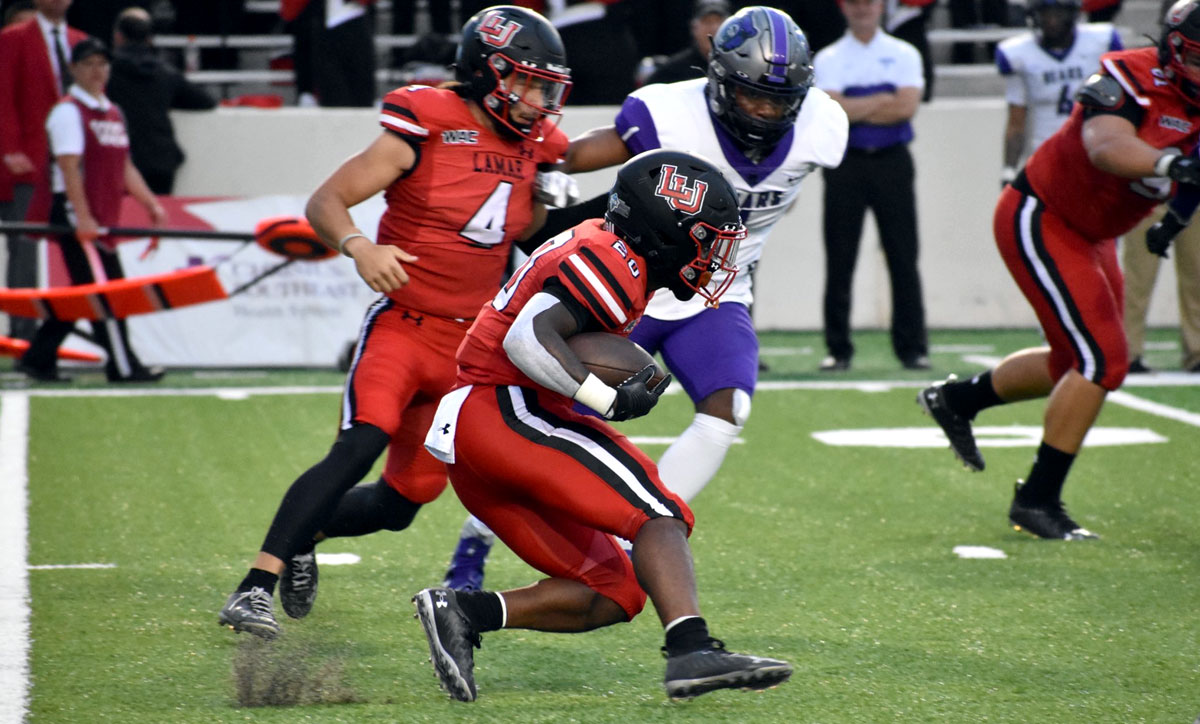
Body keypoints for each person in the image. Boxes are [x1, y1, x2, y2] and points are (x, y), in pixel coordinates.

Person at [441, 5, 849, 592]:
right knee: (553, 413)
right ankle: (472, 546)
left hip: (716, 287)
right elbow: (574, 153)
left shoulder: (822, 127)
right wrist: (545, 174)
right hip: (631, 285)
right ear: (719, 81)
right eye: (753, 96)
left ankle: (642, 533)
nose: (765, 111)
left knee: (728, 407)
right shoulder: (668, 113)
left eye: (778, 100)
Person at [216, 5, 573, 640]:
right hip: (405, 325)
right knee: (361, 441)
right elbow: (326, 200)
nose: (540, 101)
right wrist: (360, 246)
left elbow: (516, 230)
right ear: (490, 73)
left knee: (404, 501)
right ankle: (254, 587)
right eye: (529, 83)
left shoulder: (536, 146)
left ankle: (308, 537)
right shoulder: (427, 120)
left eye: (547, 87)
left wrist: (547, 199)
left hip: (467, 347)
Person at [413, 148, 792, 702]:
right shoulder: (612, 256)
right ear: (665, 229)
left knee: (614, 591)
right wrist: (601, 397)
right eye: (706, 241)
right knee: (658, 514)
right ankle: (692, 651)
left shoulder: (611, 249)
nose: (712, 259)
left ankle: (462, 612)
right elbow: (526, 337)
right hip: (504, 413)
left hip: (487, 434)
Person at [917, 0, 1200, 540]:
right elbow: (1105, 146)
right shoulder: (1129, 71)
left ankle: (956, 401)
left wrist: (1175, 219)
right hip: (1042, 213)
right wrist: (1169, 163)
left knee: (1076, 357)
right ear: (1177, 50)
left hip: (1094, 233)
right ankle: (1037, 499)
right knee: (1104, 360)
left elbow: (1195, 175)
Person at [17, 37, 166, 383]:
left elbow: (124, 164)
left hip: (102, 214)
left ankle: (39, 357)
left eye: (103, 63)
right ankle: (123, 365)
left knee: (89, 291)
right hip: (76, 212)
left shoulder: (112, 111)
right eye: (89, 64)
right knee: (105, 291)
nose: (98, 71)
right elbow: (69, 168)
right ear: (73, 69)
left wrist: (151, 203)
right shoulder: (69, 112)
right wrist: (82, 217)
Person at [813, 0, 929, 372]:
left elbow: (906, 107)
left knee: (903, 255)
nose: (863, 9)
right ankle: (838, 349)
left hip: (893, 161)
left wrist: (853, 105)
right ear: (843, 8)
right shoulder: (829, 57)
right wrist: (882, 98)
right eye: (855, 2)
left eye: (870, 2)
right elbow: (831, 111)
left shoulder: (904, 52)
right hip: (846, 163)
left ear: (882, 7)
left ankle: (912, 348)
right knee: (840, 256)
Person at [1121, 0, 1200, 374]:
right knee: (1136, 277)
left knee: (1198, 274)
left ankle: (1197, 351)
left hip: (1191, 192)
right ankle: (1128, 351)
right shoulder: (1137, 71)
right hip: (1146, 190)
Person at [0, 0, 85, 343]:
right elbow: (2, 96)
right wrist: (10, 148)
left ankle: (61, 337)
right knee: (26, 249)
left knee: (78, 250)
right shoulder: (12, 39)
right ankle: (24, 333)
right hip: (29, 163)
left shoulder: (80, 41)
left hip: (71, 163)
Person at [996, 0, 1122, 188]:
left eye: (1059, 13)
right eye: (1045, 13)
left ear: (1073, 14)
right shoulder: (1018, 54)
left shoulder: (1100, 41)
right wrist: (1008, 171)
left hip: (1094, 149)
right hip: (1046, 154)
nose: (1052, 21)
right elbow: (1016, 122)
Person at [105, 7, 215, 195]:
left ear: (118, 36)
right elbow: (205, 101)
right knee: (158, 217)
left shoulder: (107, 72)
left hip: (120, 157)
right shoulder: (165, 72)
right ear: (149, 39)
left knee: (122, 219)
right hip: (160, 159)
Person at [644, 0, 729, 86]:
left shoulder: (737, 66)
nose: (714, 28)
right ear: (694, 27)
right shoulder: (672, 72)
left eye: (719, 21)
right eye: (707, 22)